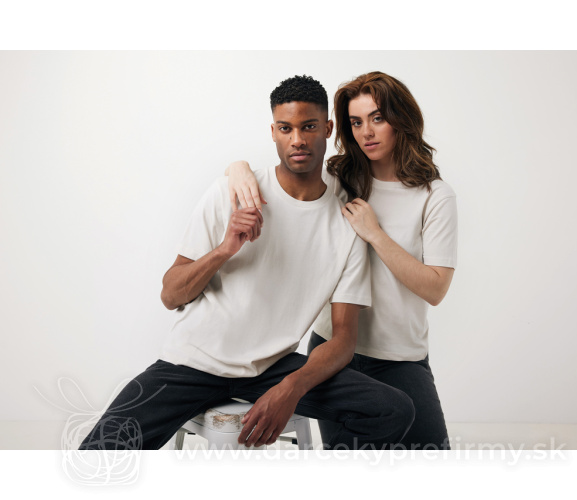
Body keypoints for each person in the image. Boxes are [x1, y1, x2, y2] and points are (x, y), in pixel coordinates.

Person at [78, 75, 415, 451]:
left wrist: (291, 388)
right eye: (285, 128)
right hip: (193, 363)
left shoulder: (347, 222)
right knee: (97, 455)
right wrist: (224, 250)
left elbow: (343, 341)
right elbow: (171, 295)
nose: (297, 140)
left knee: (392, 410)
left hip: (272, 368)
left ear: (328, 129)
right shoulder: (232, 192)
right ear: (273, 132)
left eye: (308, 127)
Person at [226, 71, 457, 450]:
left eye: (377, 118)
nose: (367, 132)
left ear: (401, 118)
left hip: (401, 358)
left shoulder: (434, 196)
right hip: (331, 352)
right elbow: (280, 177)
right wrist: (237, 167)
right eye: (356, 122)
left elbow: (435, 288)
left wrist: (375, 234)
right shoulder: (338, 177)